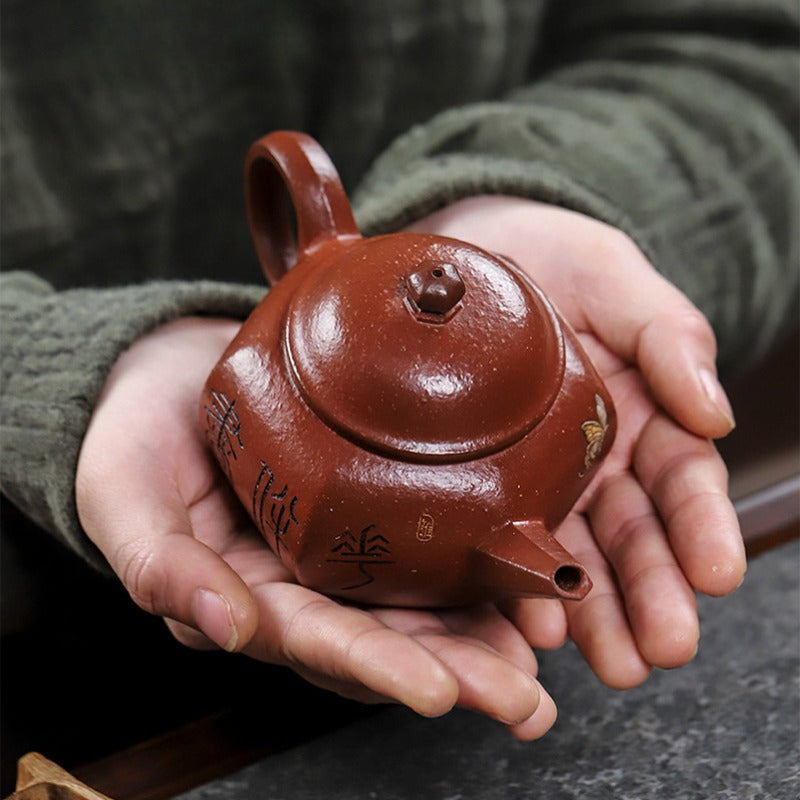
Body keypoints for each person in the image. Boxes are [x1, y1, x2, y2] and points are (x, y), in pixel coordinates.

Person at [1, 1, 797, 741]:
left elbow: (748, 41)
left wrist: (547, 193)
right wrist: (56, 360)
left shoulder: (549, 359)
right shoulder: (284, 341)